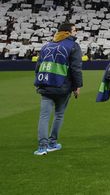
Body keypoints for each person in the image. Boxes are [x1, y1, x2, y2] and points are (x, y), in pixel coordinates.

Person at [34, 20, 83, 155]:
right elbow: (76, 68)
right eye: (74, 30)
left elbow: (38, 67)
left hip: (45, 84)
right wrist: (77, 86)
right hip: (62, 85)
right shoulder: (73, 46)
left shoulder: (46, 46)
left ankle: (42, 147)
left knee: (44, 116)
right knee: (59, 115)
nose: (76, 32)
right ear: (67, 32)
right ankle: (52, 143)